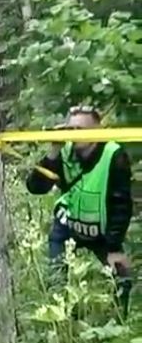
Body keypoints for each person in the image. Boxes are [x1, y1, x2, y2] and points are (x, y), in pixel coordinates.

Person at [26, 105, 132, 312]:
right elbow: (36, 187)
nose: (74, 136)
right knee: (56, 280)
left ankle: (118, 326)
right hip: (68, 226)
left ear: (96, 131)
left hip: (101, 231)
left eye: (80, 130)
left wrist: (113, 247)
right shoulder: (64, 151)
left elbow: (121, 205)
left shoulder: (114, 155)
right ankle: (62, 326)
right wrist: (53, 151)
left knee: (122, 278)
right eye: (70, 129)